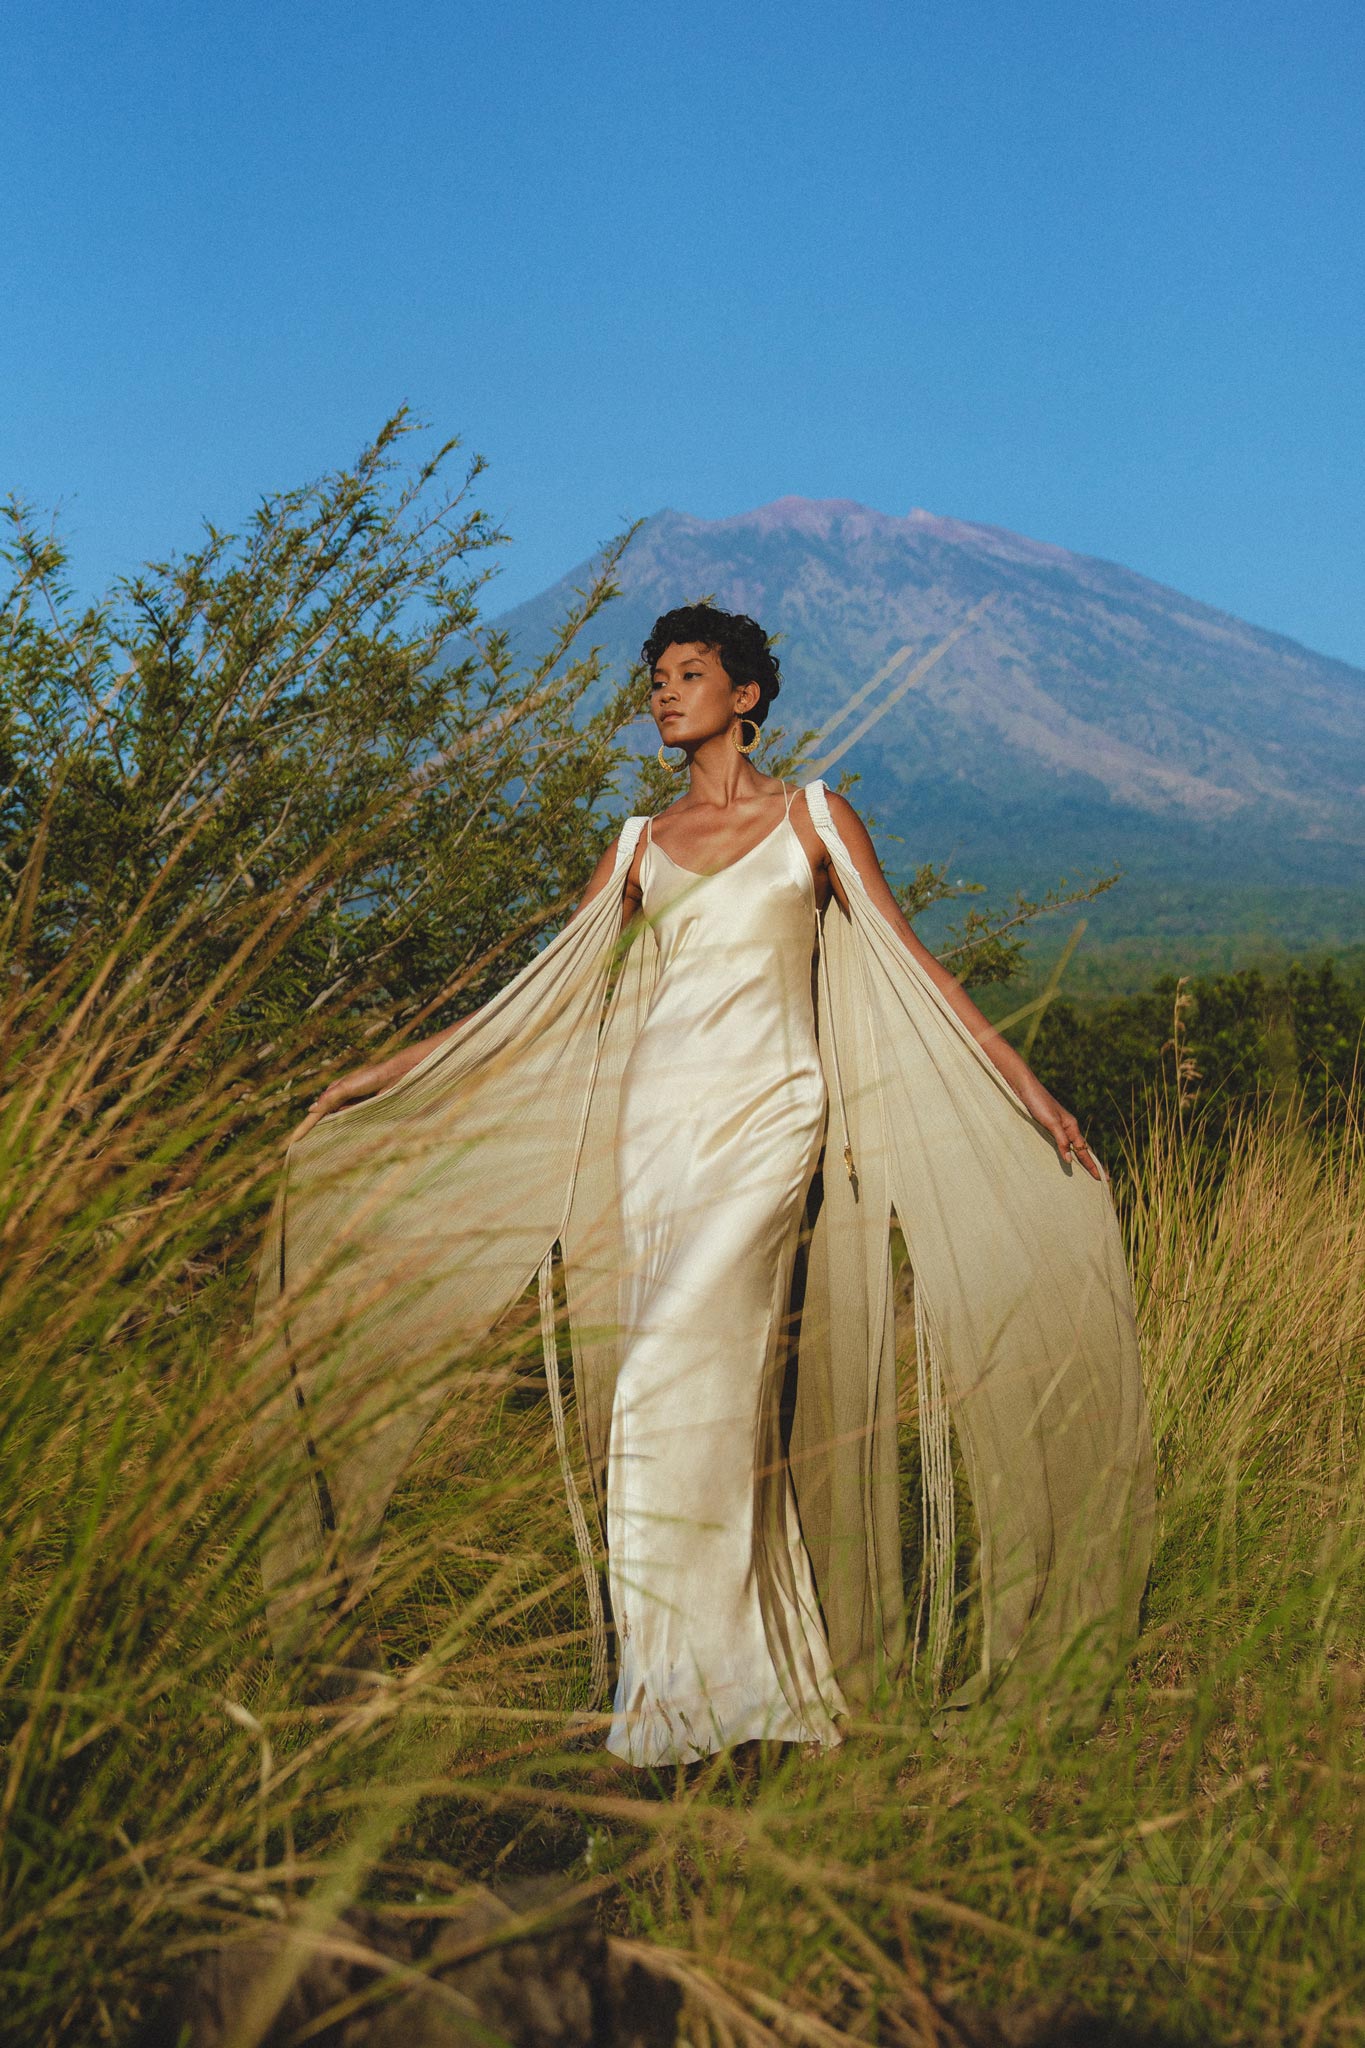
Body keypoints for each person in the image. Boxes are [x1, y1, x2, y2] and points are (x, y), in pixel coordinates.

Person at [256, 605, 1154, 1762]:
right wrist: (387, 1072)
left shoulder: (815, 816)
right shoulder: (636, 844)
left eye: (689, 674)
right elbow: (535, 1005)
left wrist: (1025, 1083)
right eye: (655, 679)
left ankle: (690, 1704)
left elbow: (910, 959)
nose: (663, 694)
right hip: (658, 1138)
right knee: (692, 1401)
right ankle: (736, 1691)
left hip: (772, 1122)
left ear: (747, 697)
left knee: (664, 1379)